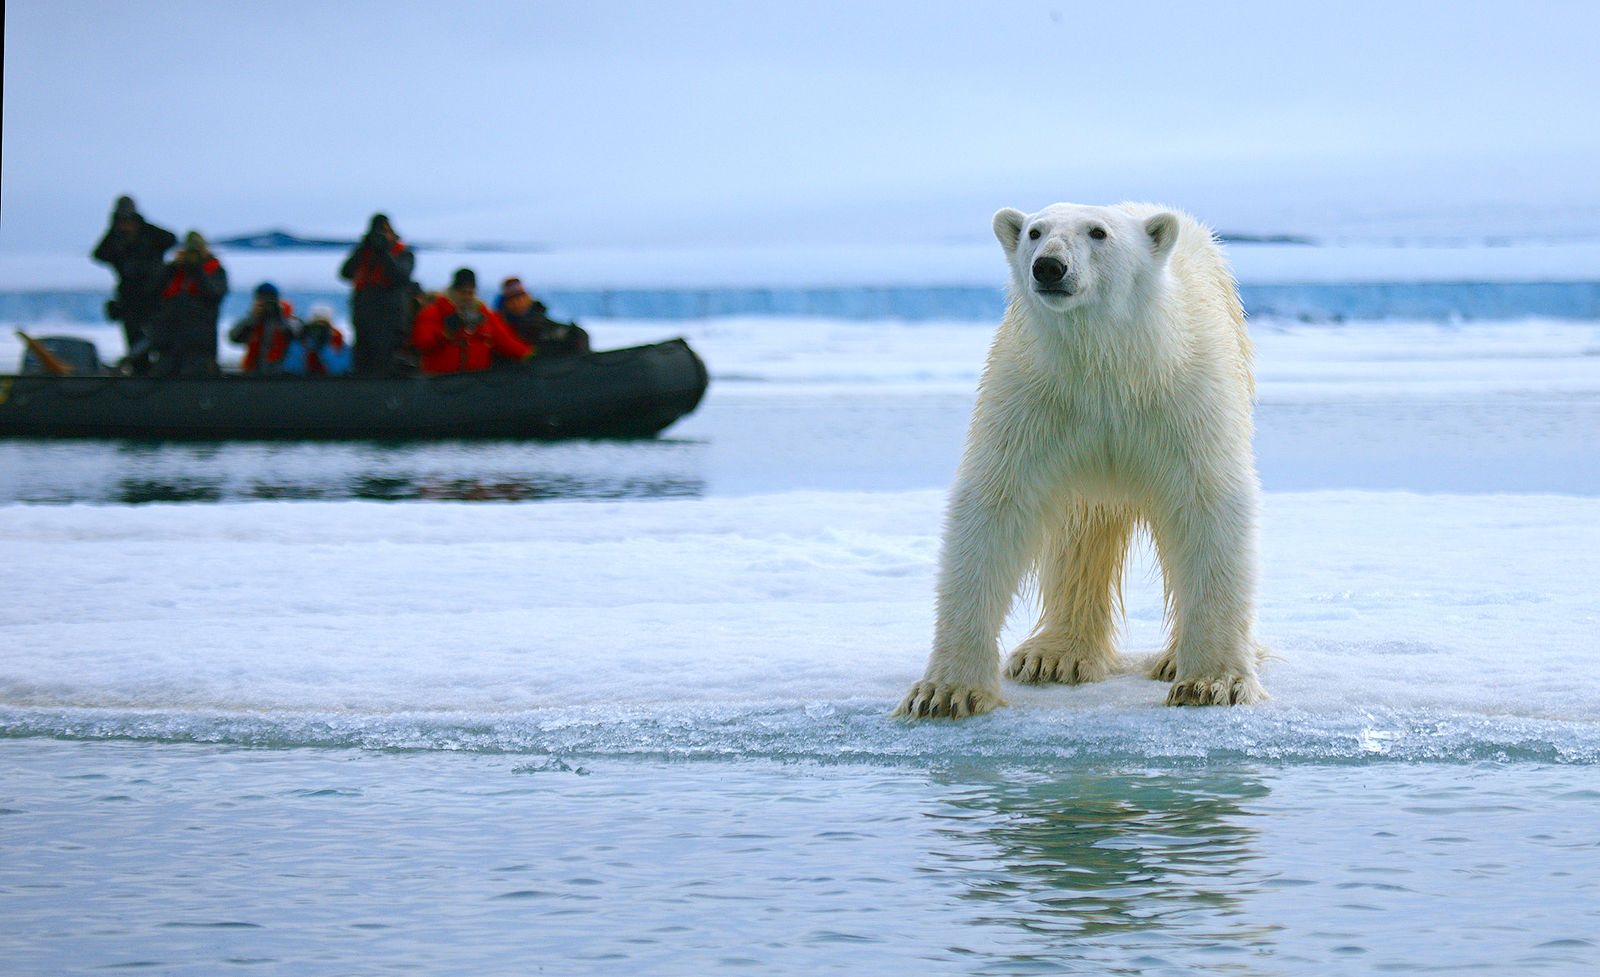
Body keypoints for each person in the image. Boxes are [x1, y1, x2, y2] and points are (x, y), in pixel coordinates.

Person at [91, 196, 177, 373]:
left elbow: (171, 239)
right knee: (136, 346)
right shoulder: (116, 239)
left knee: (159, 341)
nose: (126, 223)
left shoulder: (149, 234)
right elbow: (98, 254)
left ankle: (160, 375)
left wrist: (142, 226)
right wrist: (114, 230)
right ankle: (139, 375)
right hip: (130, 301)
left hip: (155, 298)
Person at [411, 268, 532, 374]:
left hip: (475, 382)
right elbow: (421, 343)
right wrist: (445, 332)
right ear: (453, 290)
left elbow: (503, 340)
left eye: (470, 292)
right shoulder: (434, 312)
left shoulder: (482, 312)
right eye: (463, 292)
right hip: (440, 381)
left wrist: (529, 355)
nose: (467, 297)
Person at [339, 213, 415, 375]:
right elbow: (345, 273)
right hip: (364, 320)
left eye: (384, 231)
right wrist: (362, 249)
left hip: (389, 321)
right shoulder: (363, 253)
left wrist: (384, 253)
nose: (381, 236)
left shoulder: (404, 254)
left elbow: (400, 277)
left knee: (385, 367)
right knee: (362, 366)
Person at [142, 231, 227, 377]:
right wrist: (171, 268)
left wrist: (197, 270)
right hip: (169, 343)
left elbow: (214, 295)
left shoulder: (215, 271)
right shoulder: (172, 272)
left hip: (199, 346)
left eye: (197, 251)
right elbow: (150, 293)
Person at [496, 277, 590, 357]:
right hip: (528, 361)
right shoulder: (502, 324)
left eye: (521, 297)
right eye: (514, 299)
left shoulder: (536, 314)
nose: (519, 302)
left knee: (578, 334)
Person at [228, 282, 300, 374]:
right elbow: (234, 338)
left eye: (270, 298)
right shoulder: (253, 321)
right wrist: (252, 318)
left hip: (280, 372)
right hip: (255, 372)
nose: (267, 303)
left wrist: (280, 317)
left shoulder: (286, 319)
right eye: (262, 298)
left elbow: (298, 337)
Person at [285, 304, 353, 376]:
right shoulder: (300, 343)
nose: (319, 331)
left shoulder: (339, 343)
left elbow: (340, 370)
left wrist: (324, 348)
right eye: (315, 327)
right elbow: (291, 368)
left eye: (323, 328)